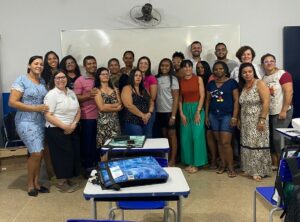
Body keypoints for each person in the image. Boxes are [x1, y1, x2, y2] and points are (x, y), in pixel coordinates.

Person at [9, 56, 49, 196]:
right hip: (25, 121)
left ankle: (37, 183)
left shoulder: (42, 81)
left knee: (39, 154)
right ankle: (30, 185)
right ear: (29, 65)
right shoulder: (21, 80)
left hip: (40, 122)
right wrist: (35, 108)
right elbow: (12, 102)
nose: (39, 66)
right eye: (36, 63)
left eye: (41, 64)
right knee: (36, 152)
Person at [44, 70, 81, 192]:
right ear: (53, 80)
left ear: (67, 79)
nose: (61, 80)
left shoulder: (71, 92)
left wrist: (74, 124)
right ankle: (61, 182)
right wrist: (65, 127)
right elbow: (48, 115)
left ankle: (66, 178)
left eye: (63, 77)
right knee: (60, 156)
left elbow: (78, 110)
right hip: (56, 129)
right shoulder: (52, 94)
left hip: (71, 127)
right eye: (57, 78)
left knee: (70, 154)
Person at [238, 63, 272, 181]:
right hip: (246, 121)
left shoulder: (260, 83)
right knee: (248, 144)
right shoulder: (243, 86)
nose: (247, 74)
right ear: (241, 75)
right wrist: (239, 119)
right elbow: (242, 105)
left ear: (253, 72)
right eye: (244, 72)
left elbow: (266, 102)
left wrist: (262, 119)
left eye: (249, 71)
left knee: (258, 144)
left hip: (258, 120)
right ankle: (250, 169)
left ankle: (259, 170)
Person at [205, 61, 239, 177]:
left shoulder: (232, 83)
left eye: (220, 68)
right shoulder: (211, 84)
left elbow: (236, 101)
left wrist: (235, 116)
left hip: (227, 115)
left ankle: (231, 167)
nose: (218, 71)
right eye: (215, 69)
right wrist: (206, 116)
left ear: (225, 70)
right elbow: (208, 101)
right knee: (219, 142)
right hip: (213, 115)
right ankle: (223, 165)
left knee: (225, 142)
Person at [261, 53, 293, 169]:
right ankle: (275, 163)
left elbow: (288, 92)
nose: (269, 63)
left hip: (282, 111)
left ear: (275, 62)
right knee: (271, 139)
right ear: (263, 64)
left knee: (278, 138)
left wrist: (284, 110)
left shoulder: (283, 74)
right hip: (270, 112)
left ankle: (285, 163)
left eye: (271, 61)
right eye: (266, 61)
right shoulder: (264, 78)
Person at [179, 59, 207, 173]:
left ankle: (197, 163)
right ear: (182, 69)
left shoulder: (198, 79)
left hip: (197, 108)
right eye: (185, 67)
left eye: (189, 66)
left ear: (192, 68)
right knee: (186, 137)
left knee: (197, 136)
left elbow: (202, 95)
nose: (187, 68)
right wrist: (181, 113)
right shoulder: (180, 81)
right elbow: (180, 99)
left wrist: (198, 111)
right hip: (185, 108)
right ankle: (190, 162)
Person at [73, 55, 99, 177]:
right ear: (85, 66)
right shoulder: (80, 80)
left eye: (94, 63)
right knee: (88, 144)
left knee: (100, 143)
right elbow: (76, 98)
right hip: (87, 117)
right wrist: (89, 96)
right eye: (89, 63)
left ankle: (99, 165)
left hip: (102, 117)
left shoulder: (100, 77)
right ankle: (88, 168)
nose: (92, 65)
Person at [156, 58, 179, 166]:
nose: (164, 67)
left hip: (169, 112)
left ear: (170, 67)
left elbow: (176, 98)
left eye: (167, 66)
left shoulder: (173, 79)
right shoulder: (156, 78)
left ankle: (173, 159)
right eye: (162, 65)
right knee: (165, 137)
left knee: (172, 136)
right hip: (159, 112)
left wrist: (173, 116)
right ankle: (167, 157)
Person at [94, 67, 122, 151]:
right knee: (104, 149)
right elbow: (101, 108)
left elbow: (120, 105)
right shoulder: (96, 90)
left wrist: (107, 105)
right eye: (103, 74)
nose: (105, 76)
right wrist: (115, 107)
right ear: (98, 76)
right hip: (103, 123)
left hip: (115, 122)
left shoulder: (115, 89)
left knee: (116, 147)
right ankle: (103, 164)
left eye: (107, 74)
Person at [121, 69, 154, 137]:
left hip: (146, 120)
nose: (138, 77)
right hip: (132, 121)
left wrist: (149, 113)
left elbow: (151, 101)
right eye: (136, 75)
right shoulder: (127, 88)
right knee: (137, 144)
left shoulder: (144, 89)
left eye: (140, 76)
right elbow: (128, 105)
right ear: (132, 77)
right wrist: (143, 115)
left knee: (147, 142)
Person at [137, 56, 157, 138]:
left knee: (147, 134)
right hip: (137, 110)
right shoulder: (135, 77)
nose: (143, 65)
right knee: (138, 136)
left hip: (149, 109)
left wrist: (149, 113)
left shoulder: (151, 78)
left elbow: (153, 97)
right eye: (141, 63)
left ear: (149, 65)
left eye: (145, 63)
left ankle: (148, 151)